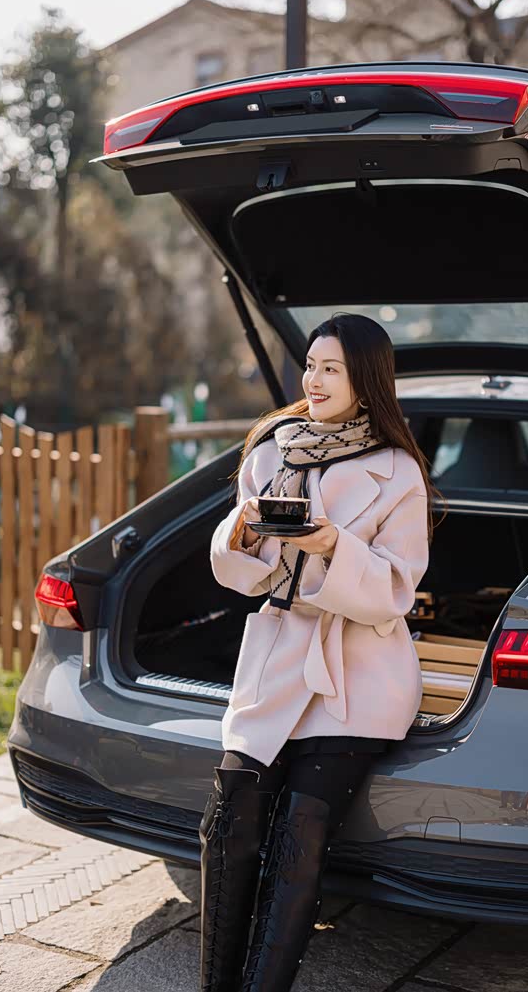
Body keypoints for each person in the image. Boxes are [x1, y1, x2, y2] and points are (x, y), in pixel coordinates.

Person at [202, 312, 437, 992]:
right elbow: (240, 573)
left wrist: (334, 546)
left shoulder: (398, 470)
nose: (314, 379)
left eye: (331, 368)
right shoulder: (270, 452)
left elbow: (395, 589)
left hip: (359, 674)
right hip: (278, 658)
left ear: (365, 379)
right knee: (228, 819)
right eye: (310, 365)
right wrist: (247, 532)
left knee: (300, 831)